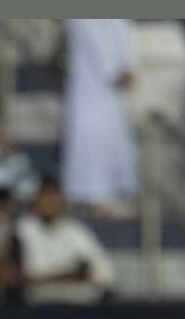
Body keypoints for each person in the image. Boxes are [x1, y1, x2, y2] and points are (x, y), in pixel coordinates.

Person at [61, 18, 140, 218]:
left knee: (114, 139)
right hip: (91, 86)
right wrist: (112, 71)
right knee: (92, 137)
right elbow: (91, 39)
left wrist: (129, 66)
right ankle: (94, 198)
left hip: (115, 94)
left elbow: (126, 38)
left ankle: (115, 194)